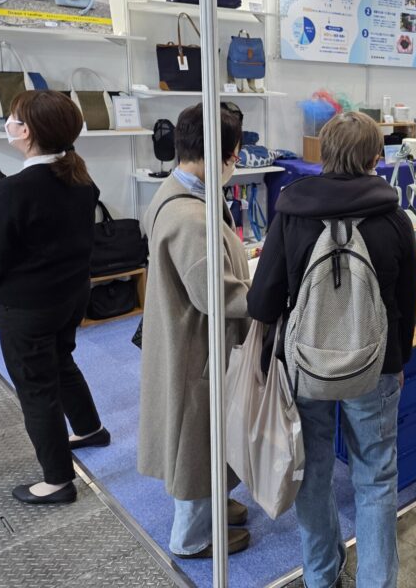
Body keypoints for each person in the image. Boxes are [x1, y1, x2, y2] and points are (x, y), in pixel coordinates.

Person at [248, 112, 416, 588]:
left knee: (312, 470)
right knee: (376, 479)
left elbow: (262, 302)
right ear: (375, 158)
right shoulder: (395, 218)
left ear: (323, 153)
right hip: (377, 365)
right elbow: (404, 303)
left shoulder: (292, 212)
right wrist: (399, 362)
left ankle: (322, 576)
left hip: (305, 366)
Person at [0, 91, 107, 505]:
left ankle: (57, 481)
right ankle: (90, 429)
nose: (8, 124)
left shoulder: (15, 190)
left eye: (13, 118)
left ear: (28, 131)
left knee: (36, 387)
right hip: (70, 295)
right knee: (61, 362)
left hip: (28, 306)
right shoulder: (80, 179)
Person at [138, 104, 253, 559]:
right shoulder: (191, 219)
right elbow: (217, 295)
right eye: (235, 153)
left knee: (208, 436)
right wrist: (268, 293)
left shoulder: (182, 191)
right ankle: (192, 539)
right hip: (196, 346)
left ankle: (214, 504)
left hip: (187, 336)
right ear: (223, 153)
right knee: (196, 440)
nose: (236, 162)